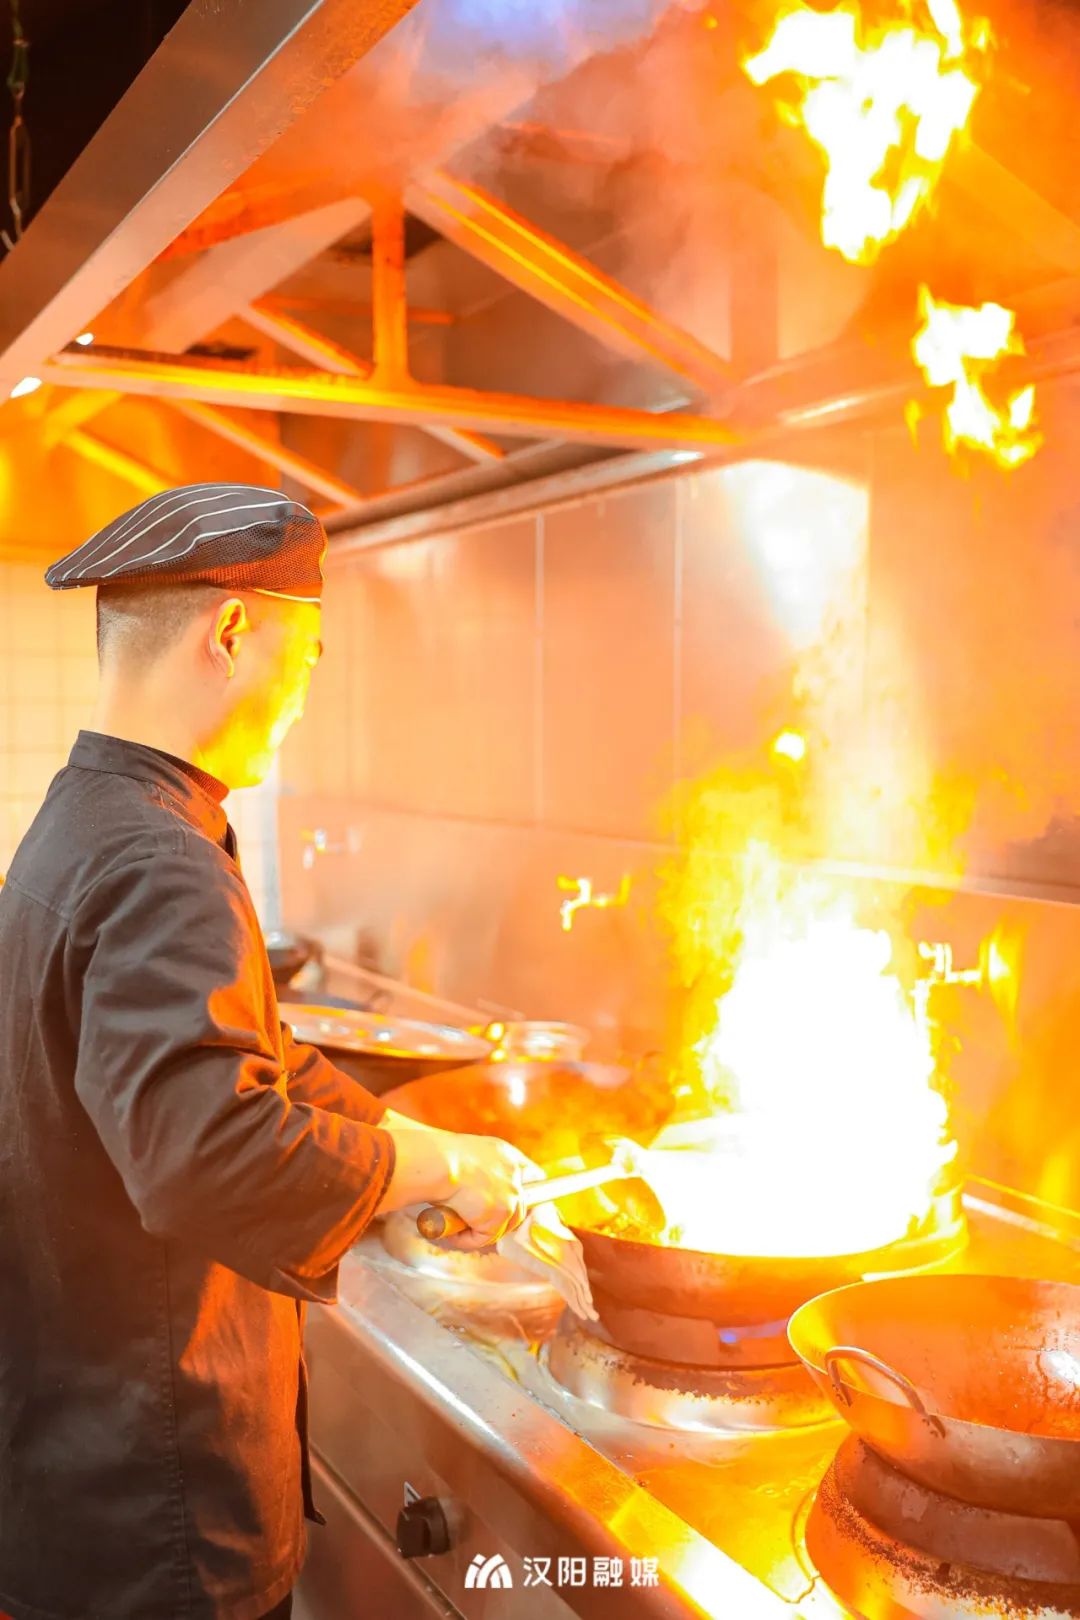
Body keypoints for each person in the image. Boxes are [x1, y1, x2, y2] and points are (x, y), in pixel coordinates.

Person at [0, 484, 538, 1620]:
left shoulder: (85, 816)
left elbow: (250, 1052)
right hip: (158, 1510)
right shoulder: (160, 860)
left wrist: (397, 1132)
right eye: (311, 655)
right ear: (234, 630)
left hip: (77, 1462)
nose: (304, 695)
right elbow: (208, 1152)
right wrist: (428, 1170)